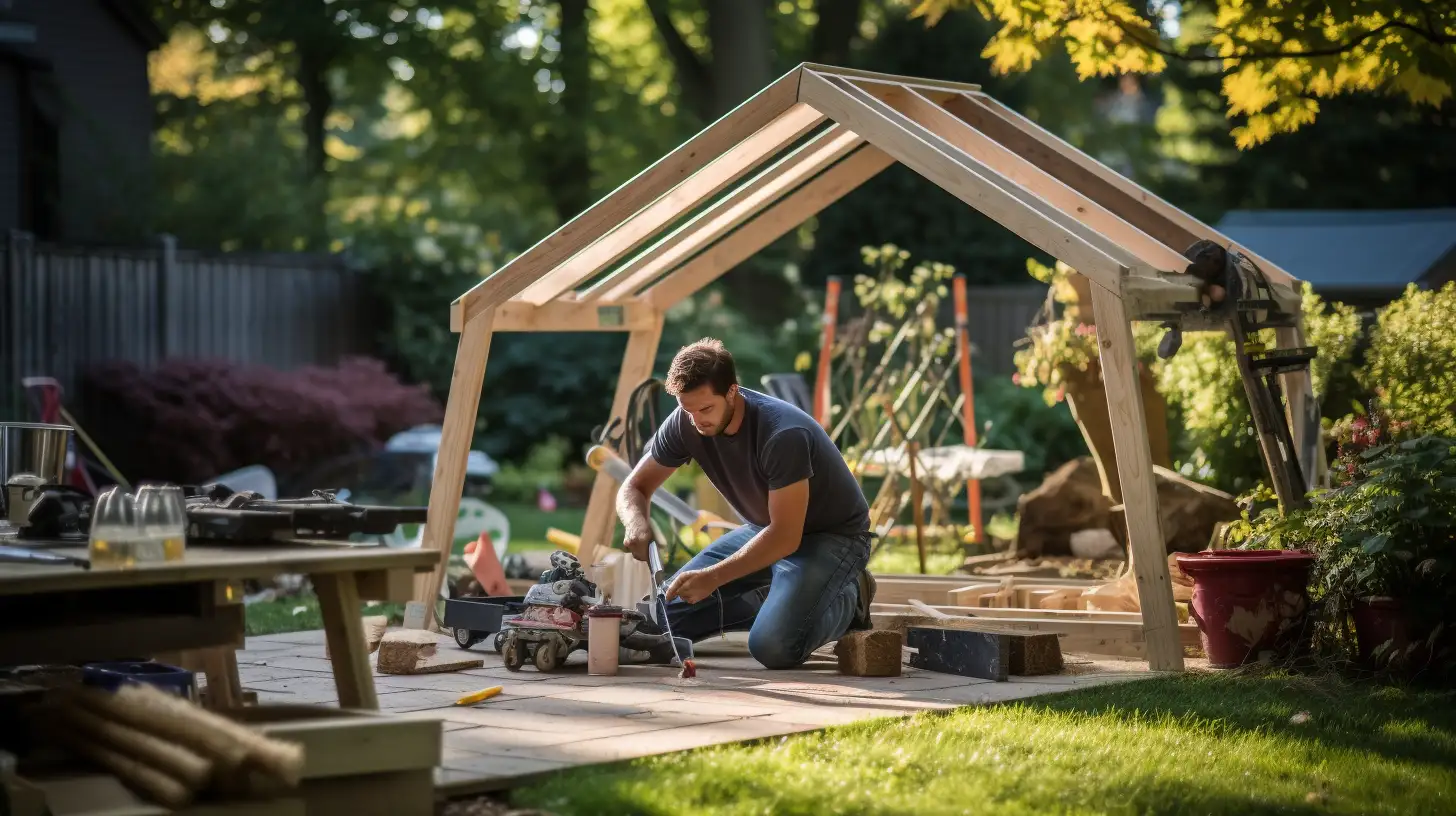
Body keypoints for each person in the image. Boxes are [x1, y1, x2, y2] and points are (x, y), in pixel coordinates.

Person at [615, 337, 876, 669]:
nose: (696, 421)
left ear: (732, 392)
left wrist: (713, 577)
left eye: (705, 409)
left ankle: (849, 599)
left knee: (774, 646)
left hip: (832, 538)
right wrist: (636, 523)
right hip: (766, 529)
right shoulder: (687, 421)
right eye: (687, 409)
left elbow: (786, 537)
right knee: (660, 622)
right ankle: (773, 598)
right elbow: (634, 487)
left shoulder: (782, 434)